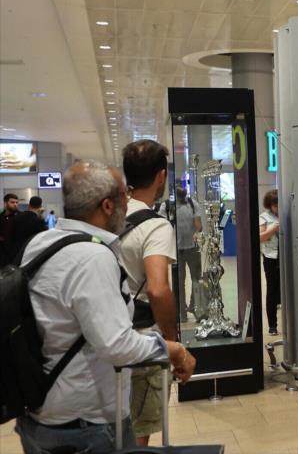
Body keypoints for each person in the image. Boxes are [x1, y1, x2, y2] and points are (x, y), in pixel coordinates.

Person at [14, 160, 195, 454]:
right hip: (86, 425)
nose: (129, 202)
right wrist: (172, 348)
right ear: (108, 206)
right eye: (124, 195)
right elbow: (117, 346)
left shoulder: (41, 244)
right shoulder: (92, 257)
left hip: (39, 415)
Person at [118, 140, 178, 447]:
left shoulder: (108, 216)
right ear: (160, 177)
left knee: (116, 425)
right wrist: (171, 340)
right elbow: (157, 289)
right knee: (140, 428)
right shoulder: (155, 226)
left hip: (107, 334)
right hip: (142, 337)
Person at [160, 186, 203, 321]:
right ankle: (181, 312)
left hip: (192, 248)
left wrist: (197, 230)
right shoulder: (166, 206)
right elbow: (162, 226)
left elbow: (198, 225)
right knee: (179, 282)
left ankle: (195, 307)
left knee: (196, 279)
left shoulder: (192, 204)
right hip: (176, 250)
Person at [259, 189, 281, 335]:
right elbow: (260, 237)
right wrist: (273, 229)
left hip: (285, 257)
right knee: (272, 291)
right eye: (275, 205)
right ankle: (272, 325)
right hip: (271, 258)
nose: (277, 208)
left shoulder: (285, 214)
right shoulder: (264, 217)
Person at [1, 192, 19, 265]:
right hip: (2, 256)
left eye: (16, 202)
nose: (15, 204)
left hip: (16, 256)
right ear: (5, 203)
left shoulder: (21, 217)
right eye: (12, 202)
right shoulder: (1, 217)